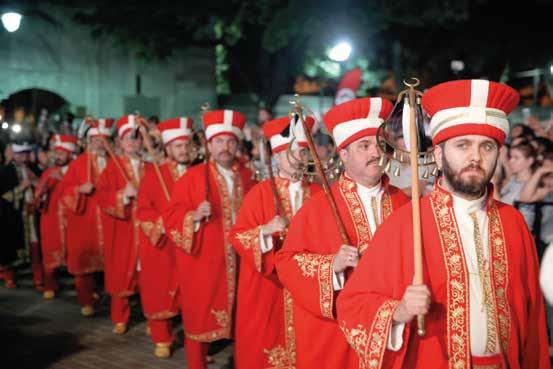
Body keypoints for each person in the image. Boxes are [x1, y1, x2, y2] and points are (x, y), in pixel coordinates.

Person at [337, 79, 550, 369]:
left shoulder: (513, 222)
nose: (476, 157)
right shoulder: (406, 222)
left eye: (486, 146)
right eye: (463, 145)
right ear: (438, 154)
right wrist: (398, 311)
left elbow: (533, 315)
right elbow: (351, 306)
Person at [275, 97, 410, 369]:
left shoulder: (403, 203)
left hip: (393, 328)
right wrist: (331, 266)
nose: (375, 152)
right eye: (364, 146)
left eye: (378, 144)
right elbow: (287, 262)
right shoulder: (319, 206)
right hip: (336, 334)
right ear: (344, 153)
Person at [163, 109, 255, 369]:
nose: (225, 147)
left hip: (242, 260)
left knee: (243, 317)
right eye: (218, 142)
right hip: (204, 261)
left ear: (238, 143)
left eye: (230, 141)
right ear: (209, 144)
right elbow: (171, 217)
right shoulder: (191, 178)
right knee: (200, 319)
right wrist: (192, 215)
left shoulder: (249, 176)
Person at [229, 115, 321, 369]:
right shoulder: (259, 193)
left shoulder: (318, 193)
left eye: (303, 153)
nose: (298, 158)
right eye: (291, 153)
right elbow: (238, 236)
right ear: (277, 156)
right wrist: (265, 231)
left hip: (307, 287)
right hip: (269, 288)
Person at [136, 117, 193, 358]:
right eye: (178, 146)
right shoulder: (153, 174)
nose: (183, 150)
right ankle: (162, 336)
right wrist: (163, 220)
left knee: (192, 293)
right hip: (164, 243)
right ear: (168, 148)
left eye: (186, 145)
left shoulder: (198, 173)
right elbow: (143, 210)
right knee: (160, 288)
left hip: (191, 242)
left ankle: (196, 342)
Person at [97, 115, 148, 334]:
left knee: (148, 274)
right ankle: (120, 316)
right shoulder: (112, 167)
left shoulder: (150, 165)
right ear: (120, 142)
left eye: (135, 139)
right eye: (128, 139)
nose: (132, 143)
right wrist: (123, 195)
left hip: (146, 229)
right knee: (121, 272)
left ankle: (152, 317)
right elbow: (102, 197)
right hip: (124, 228)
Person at [59, 118, 113, 316]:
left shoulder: (114, 161)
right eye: (96, 140)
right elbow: (63, 192)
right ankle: (86, 300)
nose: (100, 144)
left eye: (104, 140)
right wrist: (79, 189)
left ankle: (111, 296)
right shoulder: (78, 164)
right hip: (84, 220)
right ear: (89, 141)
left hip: (110, 219)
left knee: (112, 262)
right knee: (84, 265)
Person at [34, 135, 77, 299]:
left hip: (72, 217)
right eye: (56, 152)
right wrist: (44, 187)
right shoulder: (49, 172)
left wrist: (64, 181)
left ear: (70, 154)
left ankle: (84, 287)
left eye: (62, 153)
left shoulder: (76, 169)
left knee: (75, 252)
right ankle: (49, 284)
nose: (58, 156)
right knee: (50, 251)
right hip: (51, 218)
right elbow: (38, 197)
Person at [0, 142, 43, 289]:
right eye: (20, 154)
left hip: (33, 214)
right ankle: (9, 276)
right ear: (14, 155)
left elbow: (44, 188)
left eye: (26, 154)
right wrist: (21, 188)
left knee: (36, 245)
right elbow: (4, 197)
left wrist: (37, 184)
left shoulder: (34, 168)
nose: (23, 157)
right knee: (10, 247)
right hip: (14, 216)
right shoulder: (5, 172)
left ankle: (39, 278)